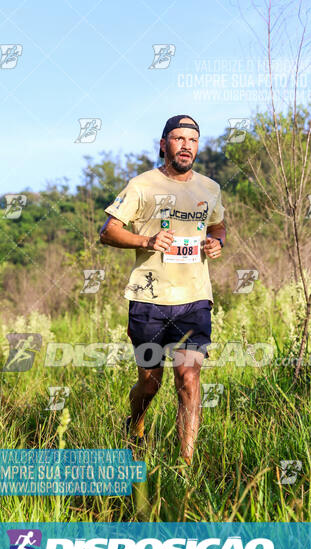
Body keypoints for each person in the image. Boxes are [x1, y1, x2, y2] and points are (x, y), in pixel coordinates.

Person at [99, 115, 226, 465]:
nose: (186, 145)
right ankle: (136, 423)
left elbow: (217, 226)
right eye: (179, 138)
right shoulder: (141, 185)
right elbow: (108, 231)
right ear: (163, 143)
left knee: (188, 378)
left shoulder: (210, 188)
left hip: (195, 299)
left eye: (193, 140)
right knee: (150, 383)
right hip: (149, 299)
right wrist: (147, 240)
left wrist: (216, 243)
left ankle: (185, 466)